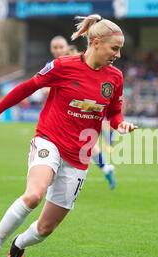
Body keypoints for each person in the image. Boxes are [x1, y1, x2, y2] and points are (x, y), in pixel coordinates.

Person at [0, 14, 136, 257]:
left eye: (120, 49)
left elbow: (114, 112)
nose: (118, 54)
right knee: (34, 195)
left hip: (79, 157)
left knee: (46, 228)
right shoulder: (62, 66)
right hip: (50, 140)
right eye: (114, 48)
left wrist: (120, 124)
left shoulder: (114, 78)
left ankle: (19, 244)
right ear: (95, 42)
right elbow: (26, 88)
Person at [50, 35, 116, 189]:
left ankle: (106, 155)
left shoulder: (78, 60)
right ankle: (105, 166)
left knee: (87, 143)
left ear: (67, 47)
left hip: (79, 109)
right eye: (55, 48)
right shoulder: (55, 65)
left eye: (61, 47)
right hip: (64, 113)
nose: (58, 50)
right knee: (87, 144)